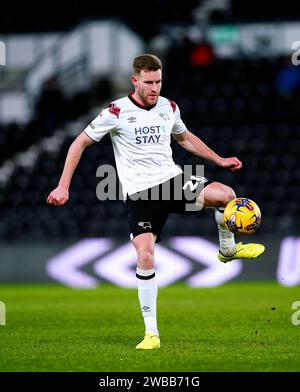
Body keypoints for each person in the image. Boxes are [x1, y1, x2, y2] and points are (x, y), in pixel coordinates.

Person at [47, 54, 265, 350]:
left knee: (225, 196)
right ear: (135, 80)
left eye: (158, 81)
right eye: (149, 82)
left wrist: (219, 159)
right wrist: (63, 186)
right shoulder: (116, 111)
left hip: (173, 181)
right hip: (140, 194)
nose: (154, 88)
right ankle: (151, 334)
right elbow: (79, 143)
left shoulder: (169, 107)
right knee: (146, 254)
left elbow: (185, 139)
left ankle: (227, 250)